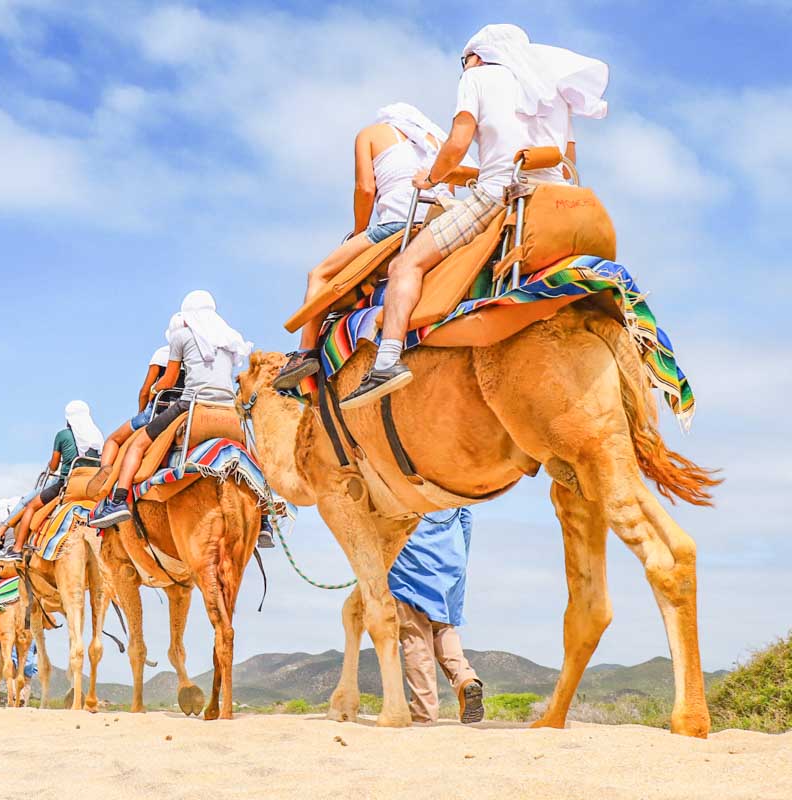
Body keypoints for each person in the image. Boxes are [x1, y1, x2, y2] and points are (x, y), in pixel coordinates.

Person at [340, 24, 608, 408]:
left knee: (406, 265)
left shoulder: (479, 77)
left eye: (463, 61)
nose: (464, 68)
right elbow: (568, 164)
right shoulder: (552, 87)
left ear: (477, 56)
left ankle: (387, 359)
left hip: (499, 194)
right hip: (558, 199)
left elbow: (458, 144)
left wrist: (431, 177)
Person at [274, 104, 451, 390]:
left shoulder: (370, 134)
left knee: (318, 275)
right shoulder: (435, 141)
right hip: (437, 226)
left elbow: (366, 189)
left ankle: (305, 353)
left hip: (396, 225)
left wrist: (359, 232)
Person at [91, 290, 251, 528]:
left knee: (137, 444)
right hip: (228, 408)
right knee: (249, 452)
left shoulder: (182, 337)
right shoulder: (229, 338)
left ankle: (119, 500)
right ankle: (267, 512)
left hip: (192, 404)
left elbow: (169, 380)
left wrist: (157, 389)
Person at [388, 508, 483, 724]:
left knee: (416, 636)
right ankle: (466, 679)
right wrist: (460, 561)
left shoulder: (404, 478)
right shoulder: (452, 478)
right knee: (443, 629)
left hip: (410, 563)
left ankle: (424, 715)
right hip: (451, 561)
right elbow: (466, 517)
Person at [0, 400, 105, 564]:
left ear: (68, 419)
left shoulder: (63, 435)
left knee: (31, 506)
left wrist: (53, 465)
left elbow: (53, 466)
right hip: (93, 483)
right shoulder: (96, 436)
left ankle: (17, 549)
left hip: (69, 484)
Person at [100, 314, 187, 469]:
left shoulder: (162, 354)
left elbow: (145, 392)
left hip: (158, 412)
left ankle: (105, 471)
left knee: (112, 440)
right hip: (186, 411)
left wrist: (141, 412)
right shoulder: (197, 355)